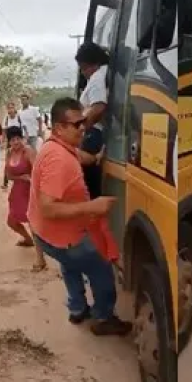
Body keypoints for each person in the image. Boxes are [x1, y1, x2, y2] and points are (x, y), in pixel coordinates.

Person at [28, 97, 132, 336]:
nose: (84, 127)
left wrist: (96, 158)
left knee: (70, 266)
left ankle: (77, 309)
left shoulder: (55, 146)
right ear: (59, 128)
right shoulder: (60, 161)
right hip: (63, 237)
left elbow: (79, 155)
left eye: (84, 121)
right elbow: (48, 207)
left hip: (45, 235)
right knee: (102, 270)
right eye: (77, 124)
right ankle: (103, 317)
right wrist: (92, 207)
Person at [5, 126, 47, 271]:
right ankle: (27, 240)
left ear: (22, 138)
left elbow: (38, 171)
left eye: (18, 139)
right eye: (12, 140)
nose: (16, 142)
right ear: (9, 141)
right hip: (17, 191)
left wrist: (35, 185)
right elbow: (8, 176)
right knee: (11, 221)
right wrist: (20, 177)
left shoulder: (28, 150)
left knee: (32, 223)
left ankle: (40, 259)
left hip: (30, 191)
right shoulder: (9, 153)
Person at [75, 42, 110, 199]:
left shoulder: (96, 78)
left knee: (89, 181)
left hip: (93, 134)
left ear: (93, 63)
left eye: (83, 67)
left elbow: (99, 107)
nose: (83, 72)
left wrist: (79, 129)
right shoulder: (101, 75)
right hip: (93, 133)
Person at [2, 102, 26, 190]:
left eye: (12, 108)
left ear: (14, 108)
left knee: (21, 158)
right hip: (10, 142)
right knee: (8, 161)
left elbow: (24, 128)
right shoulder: (6, 119)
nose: (10, 110)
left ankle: (22, 176)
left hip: (19, 141)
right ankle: (5, 182)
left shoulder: (19, 117)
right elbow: (4, 131)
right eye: (9, 108)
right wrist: (3, 142)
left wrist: (24, 139)